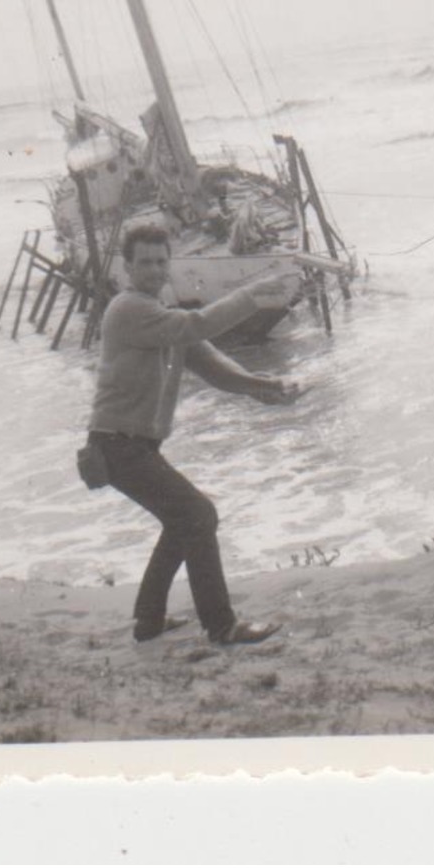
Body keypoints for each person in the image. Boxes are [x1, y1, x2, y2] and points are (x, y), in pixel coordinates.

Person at [86, 223, 302, 646]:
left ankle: (148, 621)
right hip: (116, 446)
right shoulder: (129, 309)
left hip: (133, 447)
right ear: (127, 268)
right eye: (144, 262)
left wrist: (266, 387)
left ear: (170, 266)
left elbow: (214, 368)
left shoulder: (162, 317)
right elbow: (198, 325)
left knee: (183, 521)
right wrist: (254, 292)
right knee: (198, 516)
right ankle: (221, 626)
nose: (153, 269)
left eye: (161, 261)